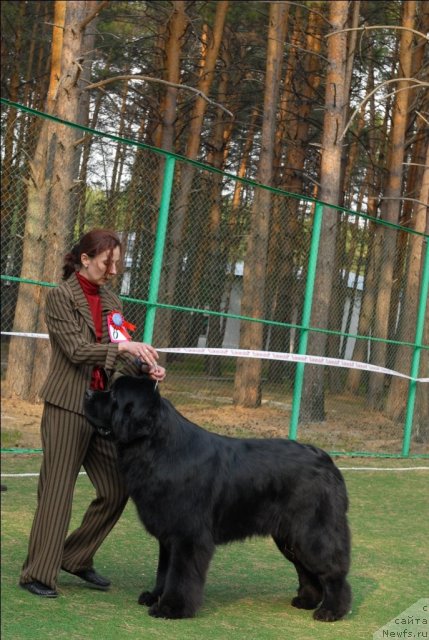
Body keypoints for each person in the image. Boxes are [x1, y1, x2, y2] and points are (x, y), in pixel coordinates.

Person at [19, 229, 166, 598]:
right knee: (57, 492)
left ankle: (75, 556)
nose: (113, 269)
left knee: (117, 488)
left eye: (116, 261)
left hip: (104, 410)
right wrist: (123, 348)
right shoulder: (60, 299)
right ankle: (38, 573)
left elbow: (117, 355)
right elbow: (77, 350)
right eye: (107, 261)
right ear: (85, 259)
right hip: (67, 406)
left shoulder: (112, 299)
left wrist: (144, 368)